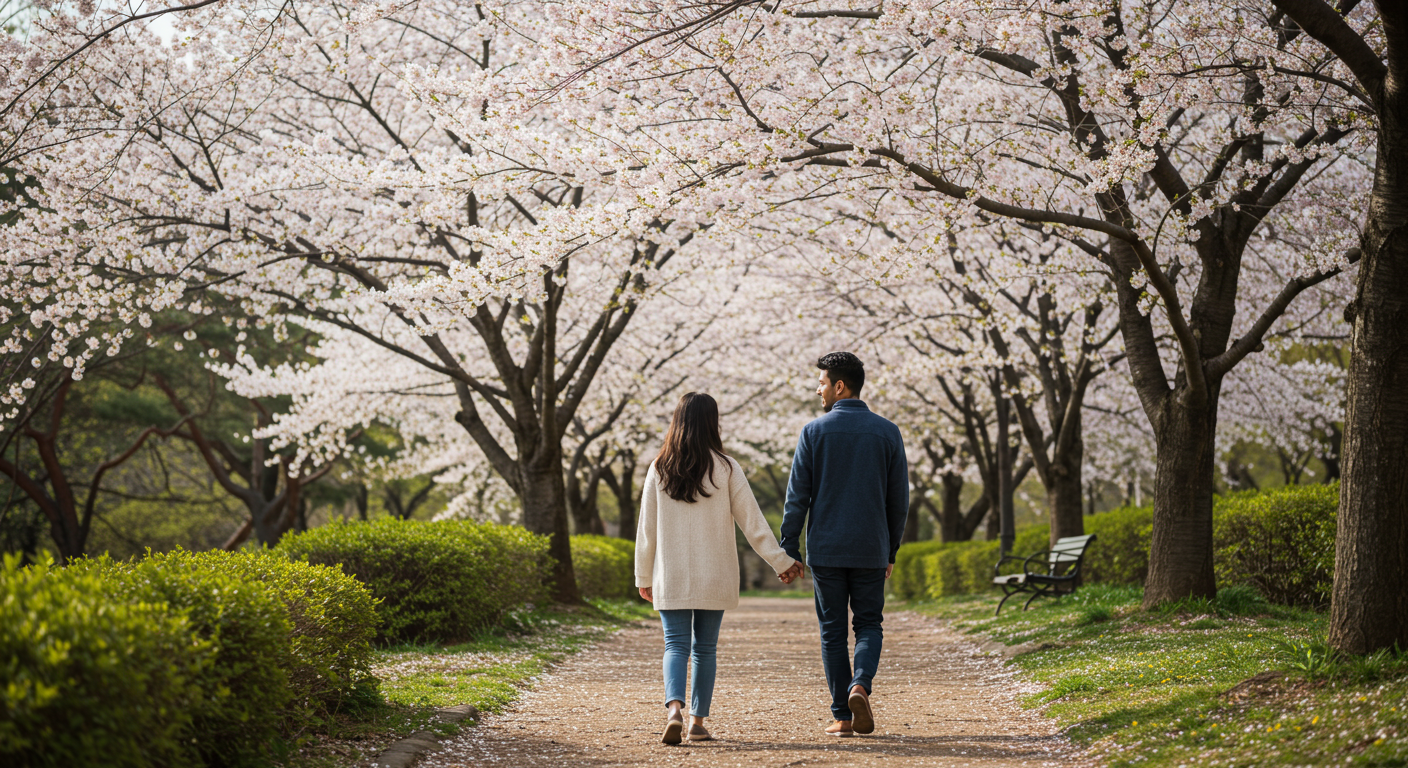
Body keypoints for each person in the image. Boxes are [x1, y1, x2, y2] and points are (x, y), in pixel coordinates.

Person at [635, 392, 802, 746]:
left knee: (675, 645)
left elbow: (646, 529)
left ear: (677, 421)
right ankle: (697, 722)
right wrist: (782, 562)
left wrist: (643, 576)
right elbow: (753, 524)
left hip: (672, 574)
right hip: (715, 575)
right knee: (705, 648)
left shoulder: (659, 467)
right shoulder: (726, 467)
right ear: (712, 422)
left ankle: (673, 711)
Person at [778, 351, 908, 738]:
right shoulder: (888, 432)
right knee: (869, 624)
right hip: (871, 548)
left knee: (833, 630)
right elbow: (898, 501)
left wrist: (789, 546)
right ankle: (860, 686)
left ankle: (843, 716)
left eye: (821, 383)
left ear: (839, 385)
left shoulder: (813, 432)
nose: (818, 390)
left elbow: (797, 497)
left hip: (827, 549)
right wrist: (891, 551)